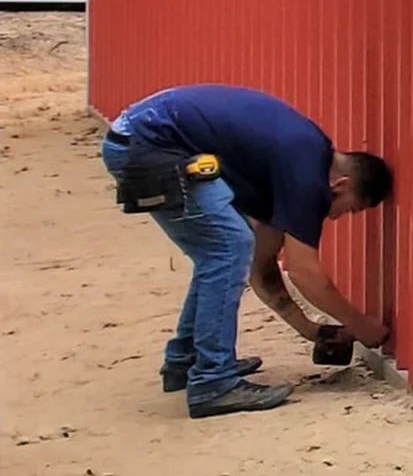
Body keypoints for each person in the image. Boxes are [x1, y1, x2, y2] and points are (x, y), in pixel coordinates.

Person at [101, 83, 392, 418]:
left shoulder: (294, 164)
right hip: (148, 145)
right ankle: (213, 382)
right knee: (227, 250)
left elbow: (260, 264)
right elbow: (304, 272)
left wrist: (311, 330)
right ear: (341, 185)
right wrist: (362, 325)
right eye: (349, 209)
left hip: (141, 139)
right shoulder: (306, 175)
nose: (337, 217)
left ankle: (187, 362)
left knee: (224, 252)